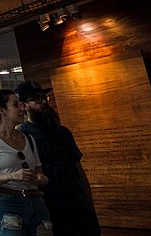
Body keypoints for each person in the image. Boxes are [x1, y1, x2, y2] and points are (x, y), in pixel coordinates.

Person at [17, 81, 100, 236]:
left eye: (44, 97)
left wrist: (90, 206)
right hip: (51, 208)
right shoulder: (23, 136)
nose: (43, 102)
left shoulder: (63, 132)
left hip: (78, 204)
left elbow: (79, 170)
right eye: (36, 99)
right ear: (24, 106)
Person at [0, 87, 50, 236]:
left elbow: (40, 173)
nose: (22, 108)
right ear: (1, 110)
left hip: (35, 200)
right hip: (7, 202)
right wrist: (11, 176)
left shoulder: (28, 138)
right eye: (15, 104)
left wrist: (41, 178)